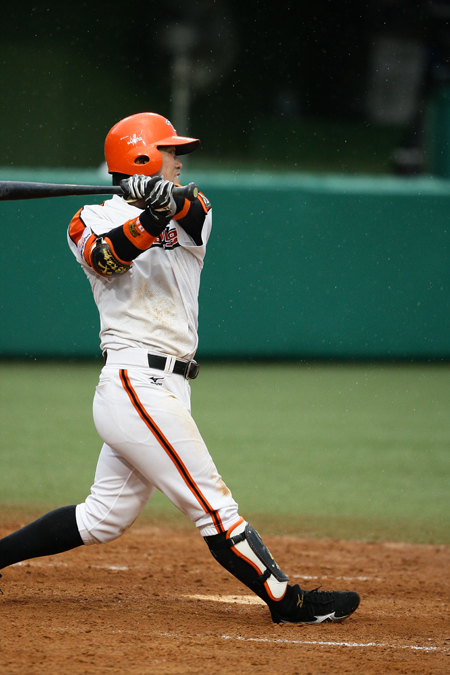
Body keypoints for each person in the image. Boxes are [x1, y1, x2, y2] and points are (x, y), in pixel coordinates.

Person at [0, 112, 360, 625]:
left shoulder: (193, 208)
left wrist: (163, 201)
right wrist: (149, 217)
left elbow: (192, 210)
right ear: (142, 156)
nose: (178, 161)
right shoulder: (87, 219)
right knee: (213, 506)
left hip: (168, 385)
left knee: (102, 518)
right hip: (134, 384)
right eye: (170, 152)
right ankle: (287, 601)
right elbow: (107, 260)